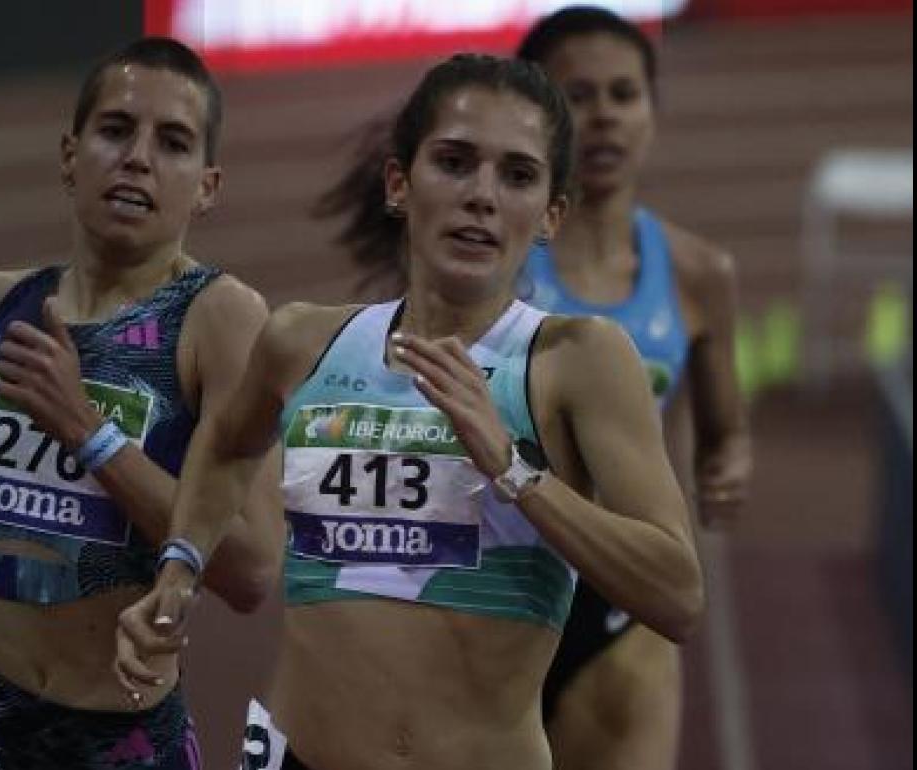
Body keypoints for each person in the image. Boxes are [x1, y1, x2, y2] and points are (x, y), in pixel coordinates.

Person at [115, 53, 704, 770]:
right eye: (455, 162)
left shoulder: (575, 360)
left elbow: (676, 594)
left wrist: (513, 469)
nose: (481, 195)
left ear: (551, 215)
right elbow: (230, 446)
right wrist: (177, 569)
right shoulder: (302, 342)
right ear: (399, 183)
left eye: (516, 175)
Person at [315, 8, 754, 769]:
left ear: (653, 112)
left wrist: (728, 463)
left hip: (614, 595)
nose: (606, 117)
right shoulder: (485, 254)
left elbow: (726, 428)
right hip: (484, 586)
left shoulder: (697, 274)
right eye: (580, 95)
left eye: (625, 94)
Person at [0, 36, 282, 770]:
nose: (138, 157)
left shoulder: (220, 322)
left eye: (171, 142)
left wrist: (90, 434)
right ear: (69, 155)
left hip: (120, 734)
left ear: (207, 186)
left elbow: (249, 570)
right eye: (115, 131)